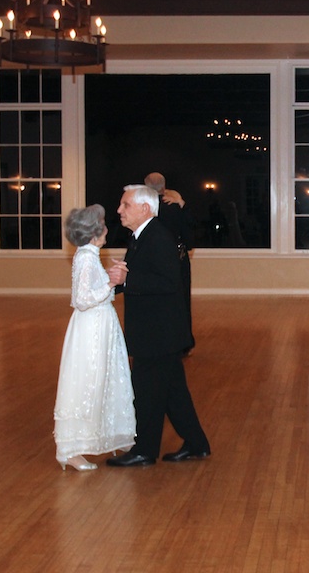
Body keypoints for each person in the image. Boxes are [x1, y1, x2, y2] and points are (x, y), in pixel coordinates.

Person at [106, 185, 211, 467]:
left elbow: (168, 284)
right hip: (159, 333)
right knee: (173, 393)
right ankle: (197, 444)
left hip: (158, 334)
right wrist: (115, 283)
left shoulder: (158, 238)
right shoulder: (144, 236)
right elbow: (140, 276)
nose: (119, 211)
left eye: (125, 205)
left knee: (147, 393)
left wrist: (125, 282)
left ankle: (144, 451)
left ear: (145, 208)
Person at [53, 205, 136, 472]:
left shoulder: (88, 254)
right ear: (94, 233)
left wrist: (109, 280)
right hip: (92, 328)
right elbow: (82, 299)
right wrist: (111, 283)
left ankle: (113, 434)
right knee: (89, 380)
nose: (108, 229)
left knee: (105, 378)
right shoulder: (87, 257)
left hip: (100, 324)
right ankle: (71, 449)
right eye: (103, 225)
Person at [144, 172, 196, 351]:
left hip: (150, 263)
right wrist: (181, 203)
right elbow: (189, 236)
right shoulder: (175, 207)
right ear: (164, 187)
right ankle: (183, 343)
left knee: (154, 303)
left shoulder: (144, 210)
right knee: (180, 301)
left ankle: (155, 341)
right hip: (177, 259)